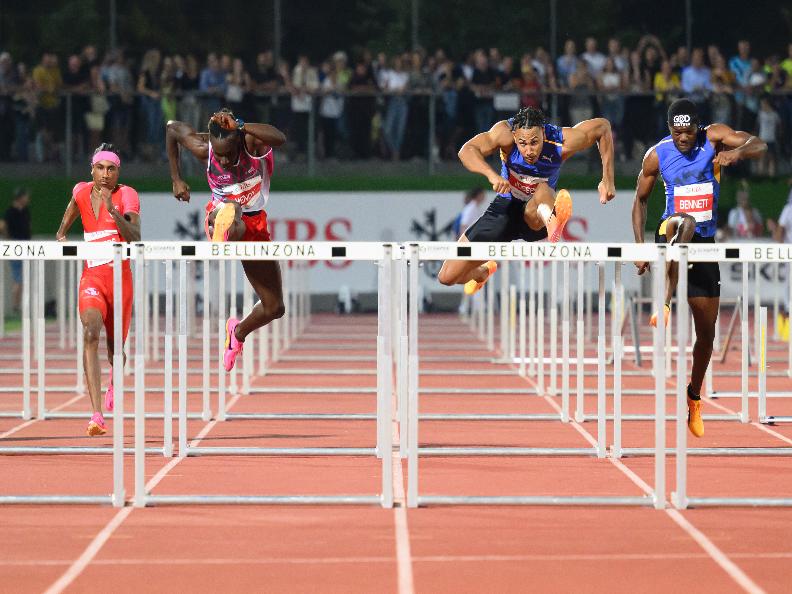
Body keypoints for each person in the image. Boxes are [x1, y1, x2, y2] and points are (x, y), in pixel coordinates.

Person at [632, 98, 767, 438]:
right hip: (670, 232)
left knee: (706, 333)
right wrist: (640, 244)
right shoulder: (657, 155)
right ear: (669, 130)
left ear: (697, 127)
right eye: (677, 132)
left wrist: (737, 153)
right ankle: (663, 301)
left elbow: (759, 143)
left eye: (688, 132)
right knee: (685, 222)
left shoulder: (714, 137)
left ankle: (693, 395)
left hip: (704, 247)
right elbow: (640, 200)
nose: (683, 138)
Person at [438, 106, 615, 294]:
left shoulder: (560, 140)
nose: (529, 150)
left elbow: (602, 128)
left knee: (542, 189)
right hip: (504, 209)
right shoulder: (504, 133)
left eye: (535, 142)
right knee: (447, 277)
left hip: (535, 213)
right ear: (514, 136)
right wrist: (492, 175)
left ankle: (552, 220)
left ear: (543, 133)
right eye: (522, 143)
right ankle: (482, 272)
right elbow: (466, 150)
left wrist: (608, 179)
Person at [166, 108, 286, 372]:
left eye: (229, 154)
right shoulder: (204, 149)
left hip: (256, 225)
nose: (224, 160)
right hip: (220, 217)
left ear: (239, 142)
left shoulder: (252, 143)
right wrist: (176, 179)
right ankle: (223, 230)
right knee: (231, 210)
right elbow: (172, 128)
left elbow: (279, 138)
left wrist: (242, 125)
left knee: (274, 307)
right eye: (218, 154)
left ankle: (237, 333)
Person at [55, 144, 141, 436]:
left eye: (112, 169)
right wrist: (62, 232)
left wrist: (113, 210)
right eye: (101, 168)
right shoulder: (81, 191)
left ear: (118, 172)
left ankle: (115, 379)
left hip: (120, 280)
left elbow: (135, 235)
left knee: (115, 349)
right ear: (92, 170)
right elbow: (71, 209)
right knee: (90, 331)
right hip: (92, 277)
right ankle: (96, 415)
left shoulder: (126, 195)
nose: (106, 175)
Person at [5, 187, 32, 312]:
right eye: (25, 196)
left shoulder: (25, 211)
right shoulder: (10, 212)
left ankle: (19, 305)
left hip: (26, 245)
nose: (27, 199)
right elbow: (4, 227)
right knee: (18, 277)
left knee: (23, 277)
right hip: (15, 245)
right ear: (20, 198)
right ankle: (16, 306)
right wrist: (10, 240)